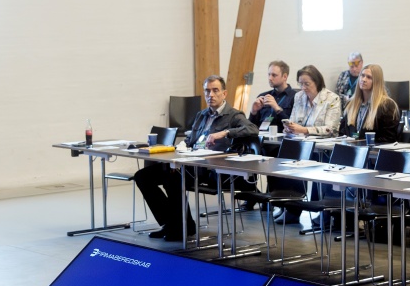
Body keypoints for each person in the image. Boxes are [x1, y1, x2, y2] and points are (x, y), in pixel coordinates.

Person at [134, 75, 255, 241]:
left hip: (210, 168)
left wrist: (225, 133)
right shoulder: (202, 115)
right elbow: (191, 141)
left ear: (224, 93)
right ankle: (172, 223)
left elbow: (252, 129)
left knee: (174, 177)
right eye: (207, 91)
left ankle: (180, 227)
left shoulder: (233, 115)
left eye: (215, 90)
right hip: (190, 162)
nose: (211, 95)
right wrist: (180, 147)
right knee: (143, 176)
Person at [340, 63, 400, 143]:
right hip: (351, 151)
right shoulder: (351, 104)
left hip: (374, 152)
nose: (363, 79)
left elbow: (389, 139)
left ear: (377, 82)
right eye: (362, 75)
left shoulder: (387, 105)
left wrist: (361, 143)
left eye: (369, 77)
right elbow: (342, 133)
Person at [285, 65, 341, 137]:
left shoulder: (332, 99)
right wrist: (289, 127)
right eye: (300, 84)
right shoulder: (298, 96)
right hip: (299, 141)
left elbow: (330, 129)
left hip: (322, 145)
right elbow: (292, 122)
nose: (303, 88)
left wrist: (304, 130)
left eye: (307, 84)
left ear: (317, 82)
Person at [249, 60, 295, 128]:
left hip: (282, 136)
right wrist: (253, 112)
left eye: (274, 75)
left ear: (285, 77)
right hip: (260, 136)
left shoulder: (295, 97)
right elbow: (251, 127)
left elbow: (293, 125)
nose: (270, 78)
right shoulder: (263, 96)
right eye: (269, 74)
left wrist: (277, 109)